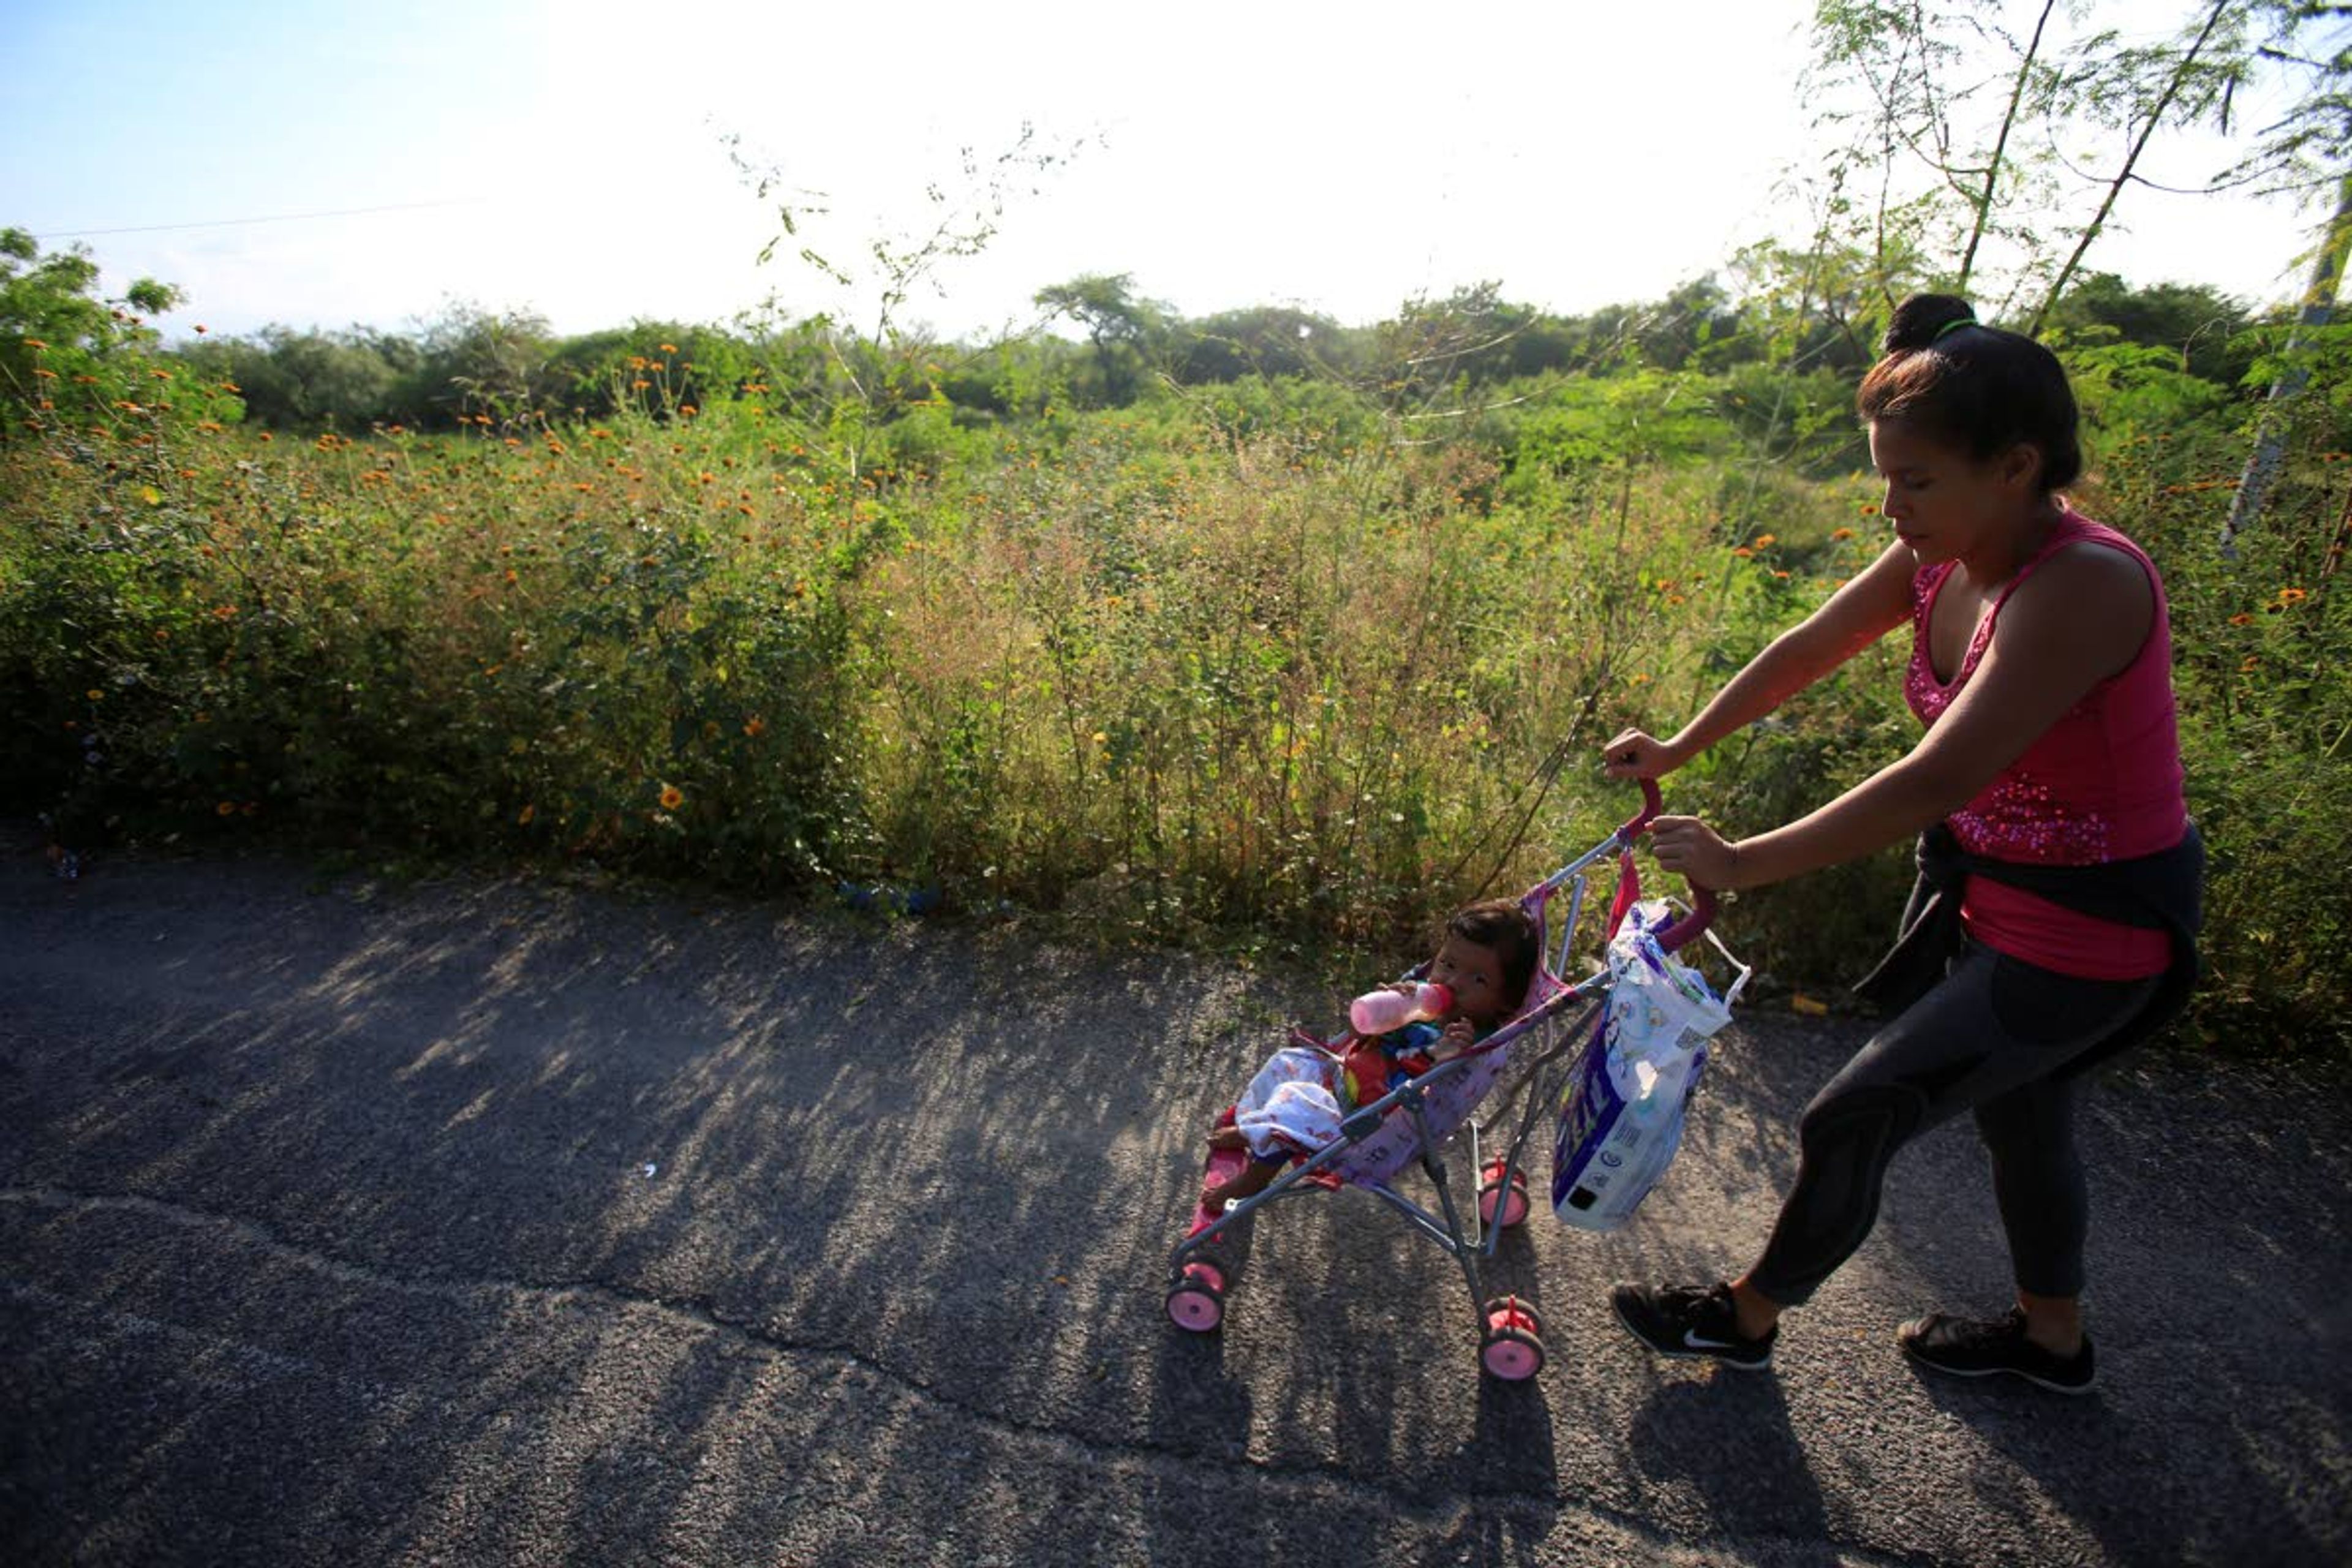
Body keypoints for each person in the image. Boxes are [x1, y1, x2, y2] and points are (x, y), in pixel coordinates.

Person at [1603, 293, 2202, 1394]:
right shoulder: (1946, 549)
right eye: (1884, 477)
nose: (1891, 506)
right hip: (1997, 899)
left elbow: (1939, 778)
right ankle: (2053, 1344)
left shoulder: (2084, 583)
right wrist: (1683, 745)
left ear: (2015, 466)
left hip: (2090, 935)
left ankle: (1743, 1318)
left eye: (1913, 479)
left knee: (1853, 1114)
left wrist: (1739, 863)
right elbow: (1811, 644)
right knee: (2024, 1121)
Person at [1201, 898, 1543, 1211]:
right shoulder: (1424, 1008)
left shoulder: (1467, 1047)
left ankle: (1252, 1181)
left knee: (1293, 1105)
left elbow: (1410, 1088)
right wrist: (1387, 1010)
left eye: (1478, 979)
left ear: (1506, 1002)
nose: (1453, 982)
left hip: (1369, 1128)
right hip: (1347, 1083)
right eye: (1447, 963)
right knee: (1287, 1063)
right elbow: (1357, 1036)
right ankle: (1257, 1128)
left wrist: (1440, 1055)